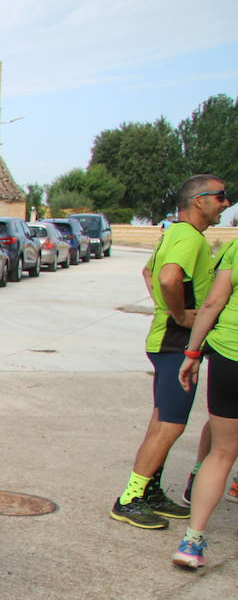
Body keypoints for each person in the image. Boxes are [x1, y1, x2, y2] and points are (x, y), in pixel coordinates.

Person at [109, 175, 226, 530]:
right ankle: (129, 499)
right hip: (174, 343)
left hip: (169, 341)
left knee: (163, 420)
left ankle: (149, 491)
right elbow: (167, 278)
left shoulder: (177, 234)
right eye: (220, 197)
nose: (225, 204)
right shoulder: (188, 238)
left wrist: (166, 308)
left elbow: (148, 271)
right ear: (199, 201)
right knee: (170, 425)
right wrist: (177, 314)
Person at [173, 235, 238, 569]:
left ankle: (192, 541)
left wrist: (193, 352)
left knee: (222, 453)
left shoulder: (235, 248)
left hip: (230, 354)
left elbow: (213, 303)